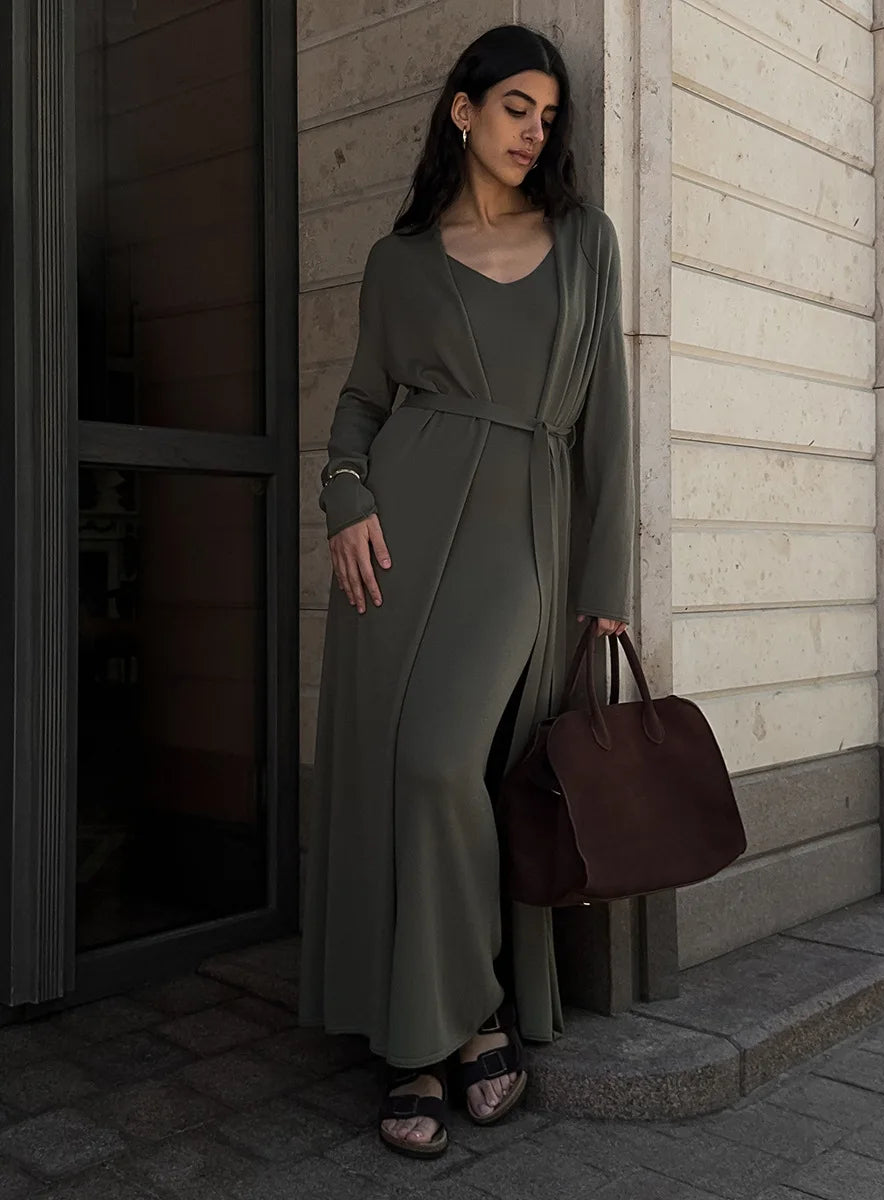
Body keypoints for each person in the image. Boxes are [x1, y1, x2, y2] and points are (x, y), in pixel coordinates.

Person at [298, 23, 635, 1158]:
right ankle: (436, 1034)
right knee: (409, 772)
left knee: (448, 761)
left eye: (550, 116)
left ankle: (468, 1009)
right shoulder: (400, 262)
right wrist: (345, 498)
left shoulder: (588, 244)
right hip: (396, 537)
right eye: (516, 109)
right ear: (461, 110)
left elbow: (611, 428)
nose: (537, 132)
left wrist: (605, 582)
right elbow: (357, 408)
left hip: (521, 542)